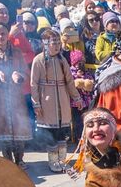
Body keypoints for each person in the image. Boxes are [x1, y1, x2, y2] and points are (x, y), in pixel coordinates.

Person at [30, 29, 84, 172]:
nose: (57, 46)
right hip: (47, 102)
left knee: (62, 133)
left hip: (62, 101)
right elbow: (33, 84)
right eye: (53, 43)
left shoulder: (62, 60)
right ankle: (53, 161)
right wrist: (36, 103)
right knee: (51, 135)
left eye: (58, 43)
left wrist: (76, 98)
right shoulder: (39, 60)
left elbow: (70, 82)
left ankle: (62, 160)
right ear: (46, 44)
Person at [0, 23, 31, 167]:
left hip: (15, 96)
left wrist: (18, 75)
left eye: (2, 33)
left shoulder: (16, 52)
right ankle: (7, 160)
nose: (0, 37)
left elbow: (25, 72)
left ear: (7, 34)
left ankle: (20, 159)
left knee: (18, 126)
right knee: (3, 129)